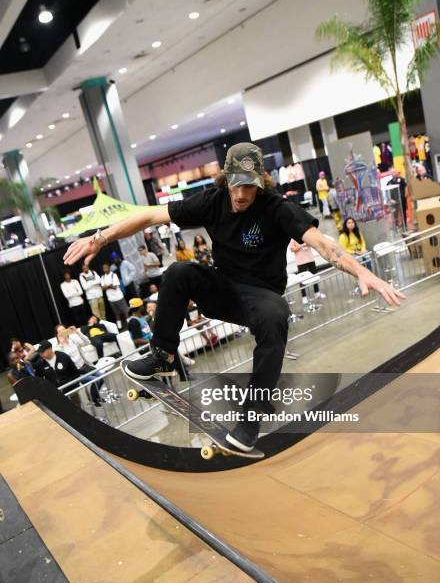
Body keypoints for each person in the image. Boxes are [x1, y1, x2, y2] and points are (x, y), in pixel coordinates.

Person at [64, 142, 405, 452]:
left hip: (260, 297)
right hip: (223, 289)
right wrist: (100, 238)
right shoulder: (212, 202)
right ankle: (162, 356)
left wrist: (363, 272)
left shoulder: (276, 207)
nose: (241, 194)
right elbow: (151, 214)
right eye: (235, 185)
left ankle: (252, 417)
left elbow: (321, 242)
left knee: (276, 314)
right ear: (225, 180)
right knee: (179, 272)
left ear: (261, 184)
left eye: (249, 186)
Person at [54, 324, 103, 406]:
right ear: (57, 335)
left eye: (64, 329)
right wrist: (62, 343)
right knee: (96, 380)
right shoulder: (58, 348)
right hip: (76, 372)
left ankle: (94, 396)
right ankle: (94, 399)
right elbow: (62, 359)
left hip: (84, 366)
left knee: (101, 377)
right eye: (60, 331)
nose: (63, 332)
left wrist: (77, 332)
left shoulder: (72, 340)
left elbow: (87, 342)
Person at [289, 240, 325, 304]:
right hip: (301, 262)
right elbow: (292, 249)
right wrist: (301, 246)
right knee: (302, 279)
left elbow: (313, 244)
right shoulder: (293, 238)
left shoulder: (305, 236)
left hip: (310, 259)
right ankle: (304, 297)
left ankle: (317, 293)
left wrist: (308, 243)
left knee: (315, 276)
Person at [101, 263, 129, 329]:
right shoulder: (102, 277)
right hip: (111, 299)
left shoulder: (114, 275)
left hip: (119, 297)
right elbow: (102, 288)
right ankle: (119, 326)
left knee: (125, 311)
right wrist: (109, 285)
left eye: (106, 267)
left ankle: (129, 322)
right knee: (116, 313)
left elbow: (115, 287)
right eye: (104, 268)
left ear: (109, 268)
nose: (105, 269)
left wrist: (107, 286)